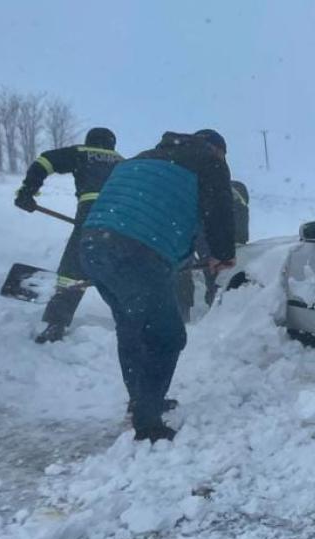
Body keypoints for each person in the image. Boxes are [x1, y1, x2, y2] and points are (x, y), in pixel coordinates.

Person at [79, 129, 236, 442]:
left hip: (92, 244)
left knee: (130, 325)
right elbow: (219, 212)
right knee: (168, 336)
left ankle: (142, 399)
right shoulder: (210, 161)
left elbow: (160, 211)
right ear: (217, 149)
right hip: (136, 251)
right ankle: (147, 422)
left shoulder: (142, 159)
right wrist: (223, 254)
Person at [14, 127, 123, 343]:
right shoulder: (123, 161)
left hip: (91, 215)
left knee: (71, 271)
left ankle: (56, 323)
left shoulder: (81, 152)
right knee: (122, 271)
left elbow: (44, 162)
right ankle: (137, 323)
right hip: (122, 219)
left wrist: (27, 192)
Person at [176, 178, 249, 321]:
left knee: (186, 266)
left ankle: (191, 312)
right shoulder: (235, 191)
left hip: (202, 214)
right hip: (215, 216)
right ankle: (218, 309)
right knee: (219, 267)